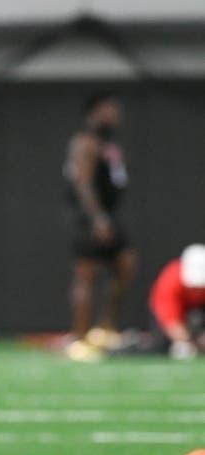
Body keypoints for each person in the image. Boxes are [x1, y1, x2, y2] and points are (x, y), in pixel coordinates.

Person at [63, 93, 135, 362]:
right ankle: (79, 339)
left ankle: (105, 328)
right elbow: (82, 183)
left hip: (110, 214)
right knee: (86, 275)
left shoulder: (109, 143)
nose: (116, 114)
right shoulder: (85, 141)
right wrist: (98, 218)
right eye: (110, 109)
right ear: (95, 111)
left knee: (126, 264)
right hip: (90, 219)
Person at [148, 244, 205, 360]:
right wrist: (191, 342)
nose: (197, 291)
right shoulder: (170, 280)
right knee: (160, 345)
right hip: (178, 312)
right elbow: (170, 322)